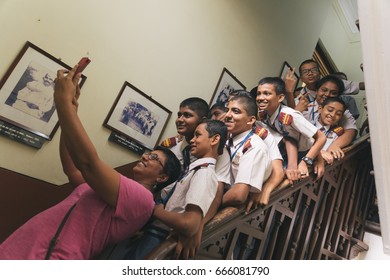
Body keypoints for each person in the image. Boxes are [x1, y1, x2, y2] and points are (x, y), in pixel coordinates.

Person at [0, 65, 181, 260]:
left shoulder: (143, 200)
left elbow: (88, 164)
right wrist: (71, 109)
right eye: (148, 153)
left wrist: (61, 103)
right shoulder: (107, 187)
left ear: (162, 177)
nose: (146, 156)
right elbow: (72, 168)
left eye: (154, 158)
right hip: (20, 247)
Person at [124, 119, 227, 259]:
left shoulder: (204, 173)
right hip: (155, 230)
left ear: (214, 139)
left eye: (198, 135)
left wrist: (156, 211)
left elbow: (190, 224)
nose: (192, 140)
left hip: (162, 235)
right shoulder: (195, 170)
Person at [256, 77, 326, 182]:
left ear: (280, 98)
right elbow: (288, 138)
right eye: (259, 93)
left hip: (304, 154)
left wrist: (307, 161)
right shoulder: (265, 114)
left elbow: (321, 137)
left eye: (267, 93)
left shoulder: (290, 115)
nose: (261, 97)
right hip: (287, 152)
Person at [222, 94, 272, 208]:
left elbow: (239, 195)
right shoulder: (227, 140)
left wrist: (212, 204)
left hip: (230, 204)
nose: (228, 115)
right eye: (227, 110)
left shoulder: (254, 147)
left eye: (235, 111)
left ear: (251, 120)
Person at [315, 97, 348, 165]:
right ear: (320, 109)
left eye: (338, 114)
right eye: (330, 110)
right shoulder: (308, 125)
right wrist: (319, 152)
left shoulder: (337, 133)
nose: (333, 115)